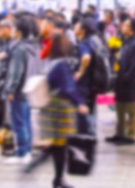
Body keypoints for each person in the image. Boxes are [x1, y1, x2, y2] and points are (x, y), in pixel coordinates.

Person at [35, 31, 89, 188]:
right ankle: (58, 179)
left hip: (48, 106)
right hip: (60, 108)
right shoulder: (62, 65)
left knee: (55, 143)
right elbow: (68, 88)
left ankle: (57, 177)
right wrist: (80, 102)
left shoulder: (49, 62)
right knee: (60, 145)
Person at [0, 16, 39, 165]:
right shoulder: (34, 47)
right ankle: (27, 151)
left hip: (19, 91)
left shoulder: (19, 49)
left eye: (14, 28)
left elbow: (15, 72)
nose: (11, 31)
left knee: (18, 123)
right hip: (29, 89)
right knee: (26, 121)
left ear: (19, 31)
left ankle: (22, 153)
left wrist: (11, 89)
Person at [108, 19, 135, 145]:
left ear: (132, 29)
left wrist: (127, 78)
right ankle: (120, 133)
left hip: (129, 82)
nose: (123, 26)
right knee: (120, 108)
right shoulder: (125, 41)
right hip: (121, 79)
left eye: (126, 25)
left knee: (130, 109)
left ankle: (130, 136)